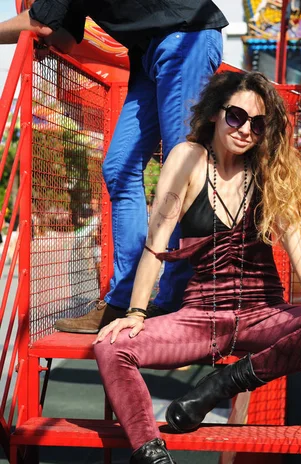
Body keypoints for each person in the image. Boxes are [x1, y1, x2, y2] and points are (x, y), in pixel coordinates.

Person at [92, 70, 301, 464]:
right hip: (200, 316)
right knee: (112, 349)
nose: (244, 129)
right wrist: (135, 313)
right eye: (236, 116)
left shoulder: (269, 166)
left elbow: (294, 232)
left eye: (257, 124)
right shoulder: (188, 158)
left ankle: (219, 385)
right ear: (216, 113)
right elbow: (156, 241)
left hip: (262, 311)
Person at [0, 0, 228, 332]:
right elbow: (61, 35)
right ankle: (122, 301)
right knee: (119, 166)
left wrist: (37, 30)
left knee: (183, 169)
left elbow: (40, 22)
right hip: (150, 54)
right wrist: (45, 40)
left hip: (185, 36)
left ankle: (175, 301)